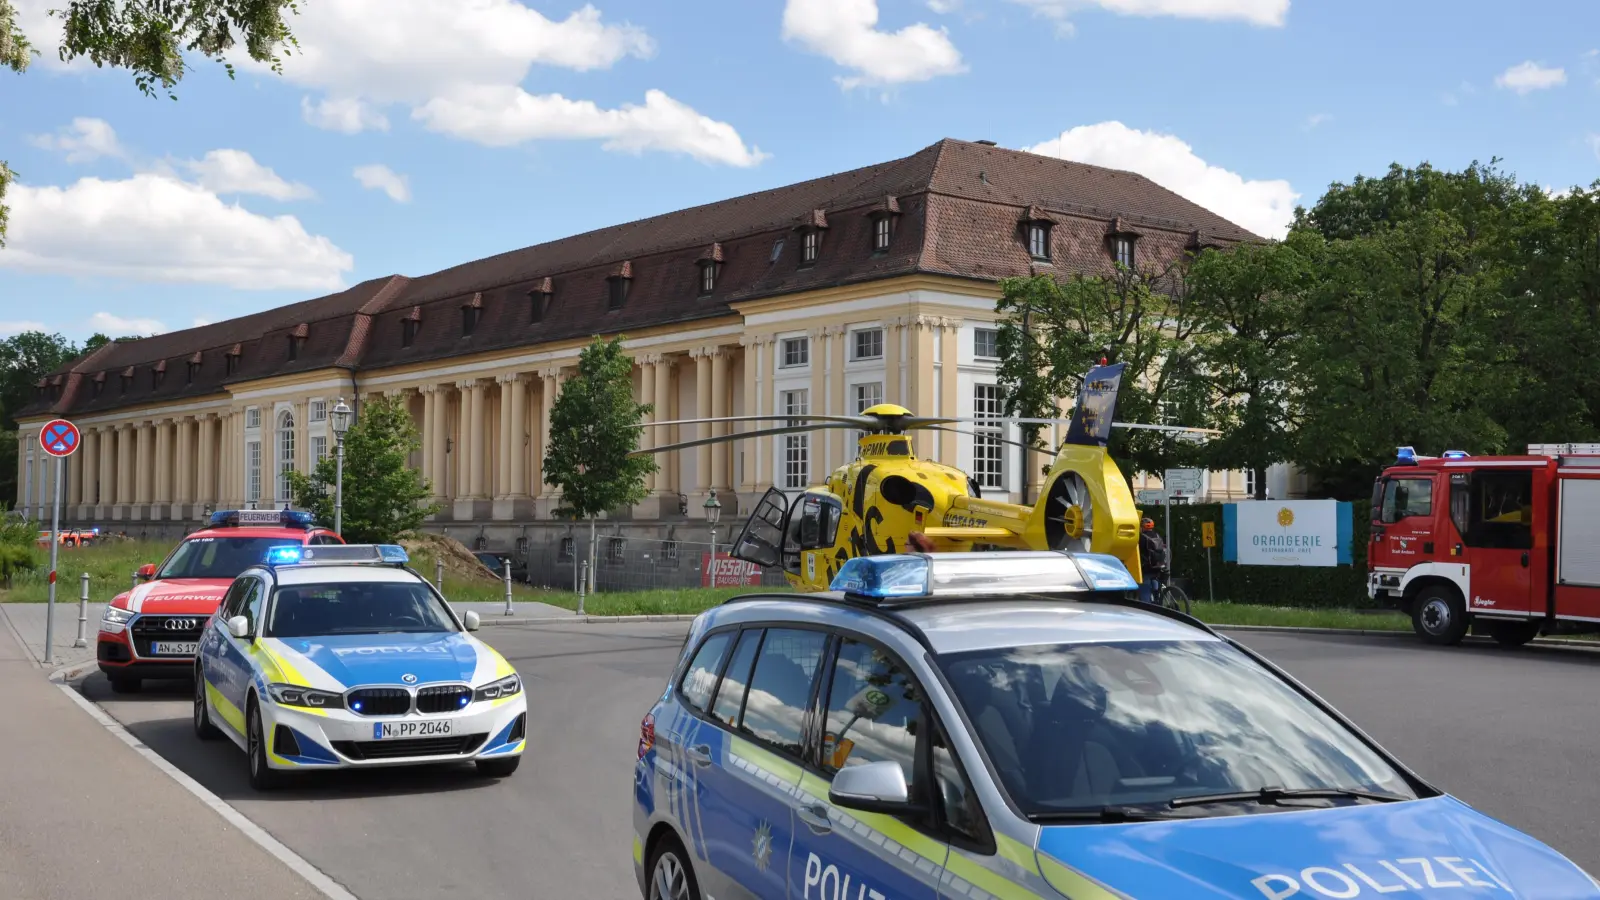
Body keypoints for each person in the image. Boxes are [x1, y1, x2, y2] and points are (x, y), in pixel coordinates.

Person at [1138, 518, 1169, 604]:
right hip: (1159, 566)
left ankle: (1147, 607)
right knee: (1154, 579)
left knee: (1144, 587)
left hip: (1147, 567)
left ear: (1142, 527)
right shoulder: (1157, 536)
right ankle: (1157, 599)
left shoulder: (1142, 537)